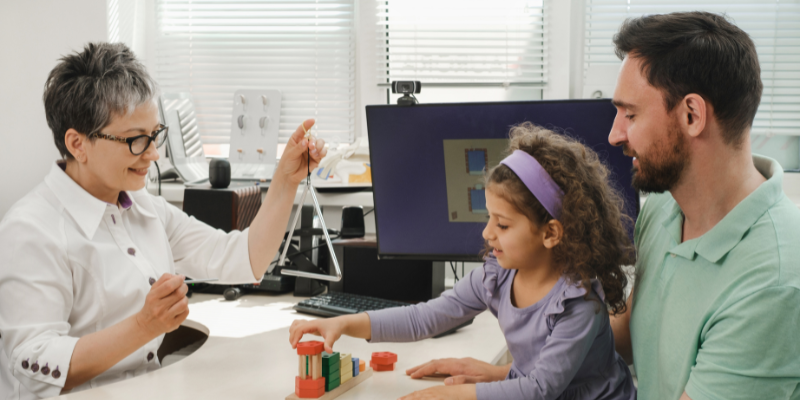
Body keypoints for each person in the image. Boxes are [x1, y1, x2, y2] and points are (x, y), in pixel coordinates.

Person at [0, 42, 327, 399]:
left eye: (155, 135)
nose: (153, 154)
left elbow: (243, 258)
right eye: (136, 140)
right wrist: (144, 326)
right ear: (78, 144)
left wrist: (285, 181)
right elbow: (34, 365)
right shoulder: (30, 230)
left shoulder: (144, 207)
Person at [289, 123, 637, 400]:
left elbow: (539, 389)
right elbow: (424, 317)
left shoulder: (578, 303)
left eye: (502, 224)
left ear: (551, 233)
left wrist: (454, 395)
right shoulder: (497, 276)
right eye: (489, 218)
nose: (487, 233)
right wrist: (347, 324)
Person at [606, 12, 800, 400]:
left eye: (630, 114)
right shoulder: (664, 208)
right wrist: (513, 375)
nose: (615, 135)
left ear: (692, 115)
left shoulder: (773, 283)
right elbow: (630, 333)